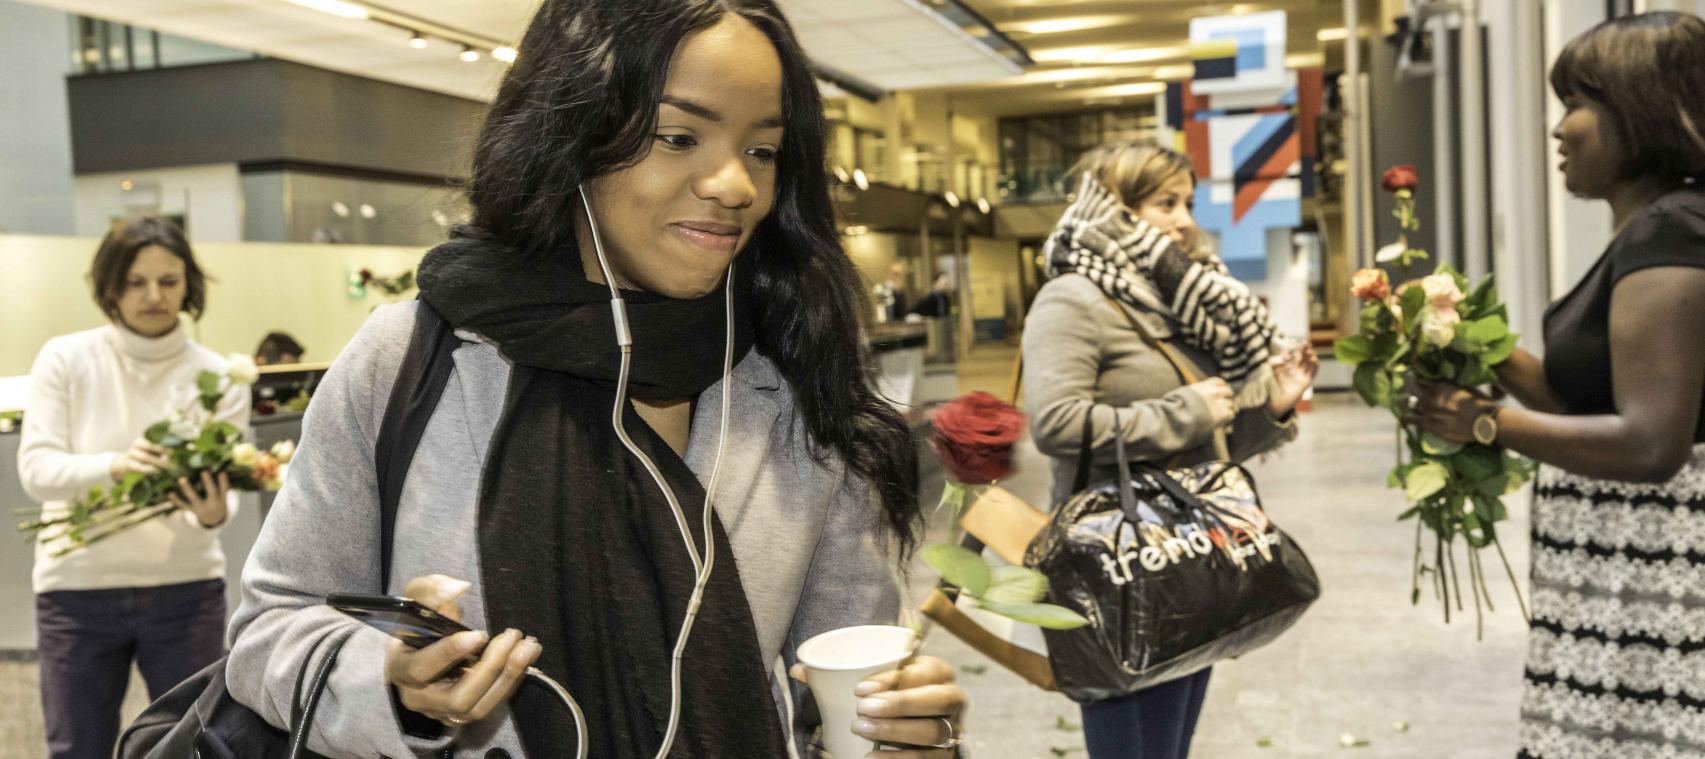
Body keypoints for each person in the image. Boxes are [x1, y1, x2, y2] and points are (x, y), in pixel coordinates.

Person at [225, 2, 968, 757]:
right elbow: (269, 629)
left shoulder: (795, 387)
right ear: (574, 136)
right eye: (678, 137)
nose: (733, 183)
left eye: (764, 150)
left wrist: (907, 734)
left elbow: (841, 688)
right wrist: (392, 686)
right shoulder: (412, 359)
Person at [1410, 12, 1705, 759]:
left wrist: (1479, 423)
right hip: (1614, 568)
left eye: (1576, 104)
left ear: (1639, 111)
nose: (1560, 129)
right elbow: (1584, 403)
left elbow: (1648, 442)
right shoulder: (1654, 229)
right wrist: (1474, 341)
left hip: (1656, 577)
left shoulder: (1669, 235)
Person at [1022, 142, 1317, 759]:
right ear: (1118, 209)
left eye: (1187, 202)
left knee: (1171, 747)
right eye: (1165, 202)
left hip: (1184, 559)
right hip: (1116, 563)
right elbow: (1055, 423)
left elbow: (1210, 443)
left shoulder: (1173, 305)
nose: (1184, 219)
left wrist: (1273, 407)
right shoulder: (1073, 297)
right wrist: (1187, 409)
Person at [18, 216, 249, 759]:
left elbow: (220, 505)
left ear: (188, 286)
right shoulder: (65, 358)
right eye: (135, 282)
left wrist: (215, 512)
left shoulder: (218, 376)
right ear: (109, 287)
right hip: (75, 592)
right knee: (78, 746)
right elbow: (37, 470)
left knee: (193, 746)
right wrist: (116, 466)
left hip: (187, 591)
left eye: (169, 282)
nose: (154, 296)